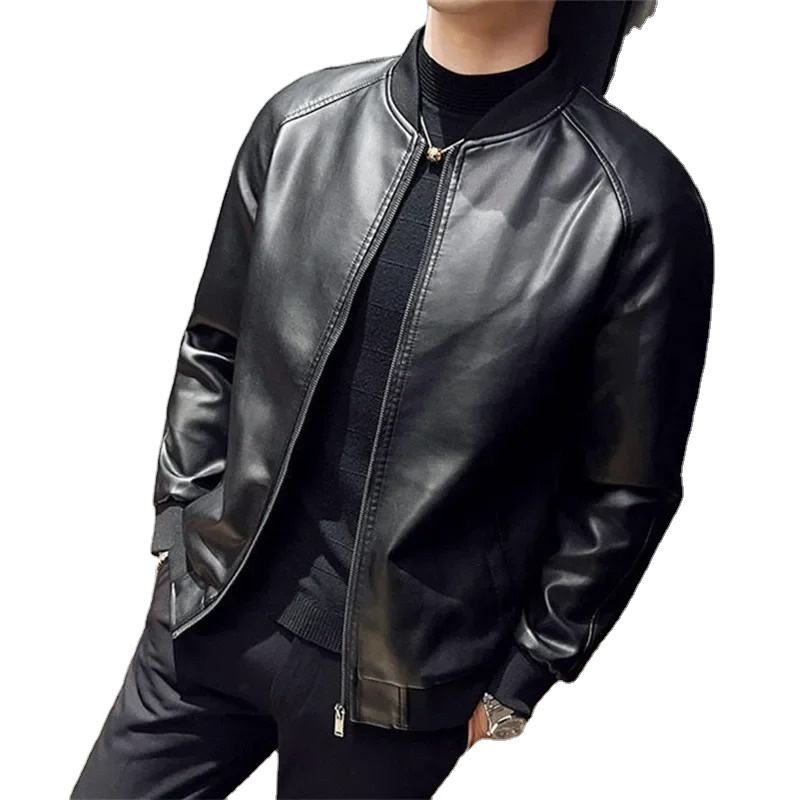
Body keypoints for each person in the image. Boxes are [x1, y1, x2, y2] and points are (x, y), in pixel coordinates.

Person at [71, 0, 713, 797]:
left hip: (397, 698)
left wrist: (523, 674)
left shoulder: (633, 204)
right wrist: (180, 527)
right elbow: (215, 343)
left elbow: (623, 487)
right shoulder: (300, 125)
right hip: (209, 618)